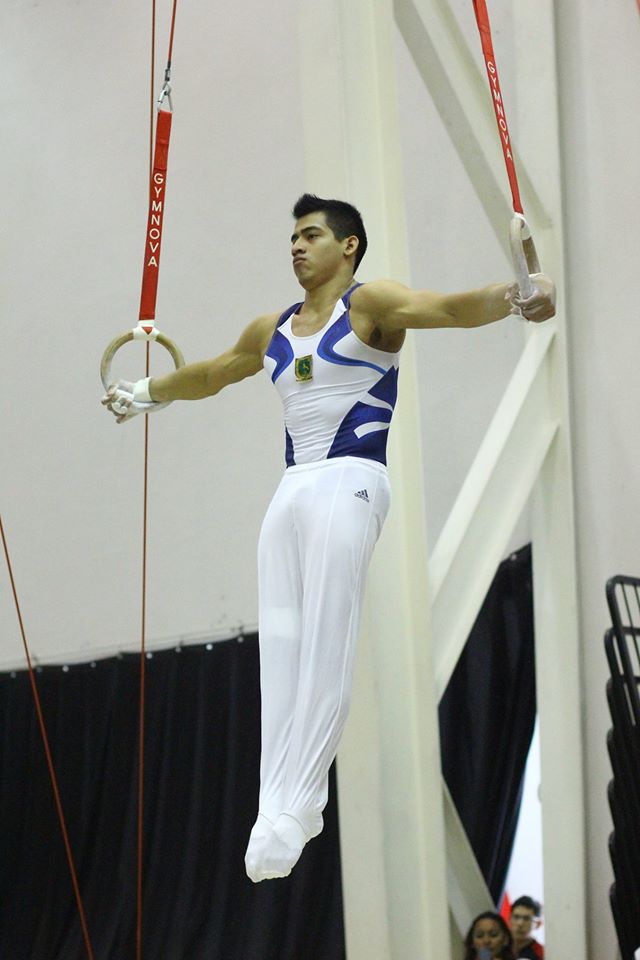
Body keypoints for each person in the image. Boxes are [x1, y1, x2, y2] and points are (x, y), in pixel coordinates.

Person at [102, 194, 556, 883]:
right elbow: (215, 373)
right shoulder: (272, 327)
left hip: (351, 480)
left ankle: (302, 802)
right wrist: (146, 390)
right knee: (279, 652)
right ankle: (273, 806)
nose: (296, 246)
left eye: (311, 235)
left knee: (324, 642)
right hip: (292, 491)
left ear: (347, 247)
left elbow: (449, 308)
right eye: (292, 237)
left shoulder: (372, 304)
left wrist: (515, 296)